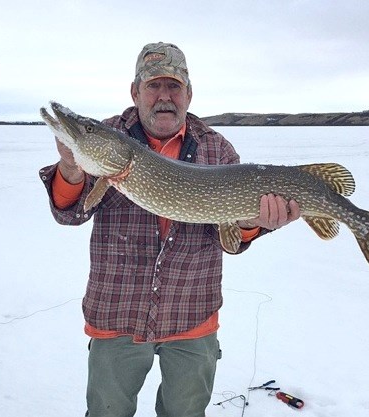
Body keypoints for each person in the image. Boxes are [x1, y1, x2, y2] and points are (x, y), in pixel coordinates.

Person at [39, 42, 300, 417]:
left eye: (174, 86)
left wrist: (251, 224)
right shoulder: (108, 139)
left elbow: (229, 240)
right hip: (117, 315)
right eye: (153, 86)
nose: (165, 97)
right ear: (135, 92)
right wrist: (72, 169)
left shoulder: (217, 149)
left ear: (189, 94)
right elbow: (69, 214)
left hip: (192, 318)